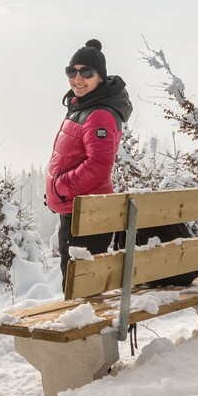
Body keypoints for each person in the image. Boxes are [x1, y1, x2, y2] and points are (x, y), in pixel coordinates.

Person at [45, 38, 133, 277]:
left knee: (80, 292)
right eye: (71, 72)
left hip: (87, 213)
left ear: (100, 77)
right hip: (79, 209)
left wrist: (59, 186)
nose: (78, 78)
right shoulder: (84, 107)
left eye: (87, 72)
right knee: (80, 290)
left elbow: (99, 166)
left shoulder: (99, 114)